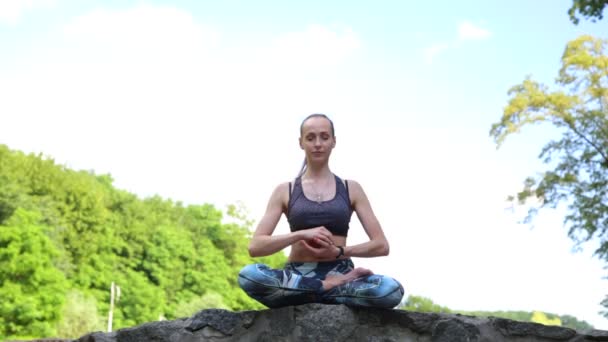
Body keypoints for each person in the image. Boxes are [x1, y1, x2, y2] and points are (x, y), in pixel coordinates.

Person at [238, 113, 404, 309]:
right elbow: (256, 247)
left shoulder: (351, 188)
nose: (318, 143)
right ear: (301, 143)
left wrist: (339, 251)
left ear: (334, 141)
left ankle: (314, 292)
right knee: (249, 276)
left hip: (342, 275)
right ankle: (324, 288)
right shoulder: (285, 190)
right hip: (296, 276)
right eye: (310, 137)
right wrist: (300, 234)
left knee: (390, 289)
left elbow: (381, 245)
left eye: (324, 137)